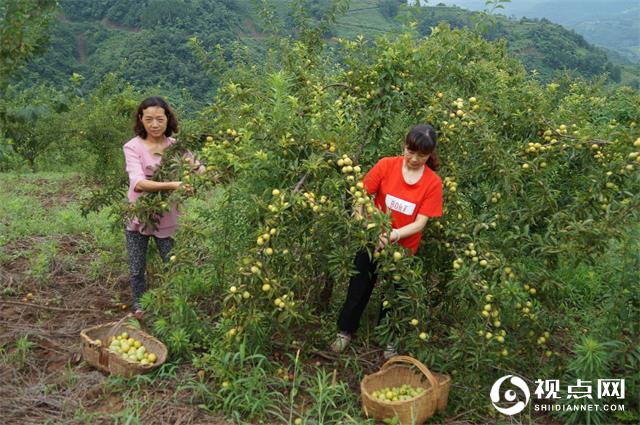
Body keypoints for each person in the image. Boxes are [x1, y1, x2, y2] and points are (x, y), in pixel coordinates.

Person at [331, 124, 443, 358]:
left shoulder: (433, 183)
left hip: (402, 250)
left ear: (429, 155)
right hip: (372, 241)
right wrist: (364, 225)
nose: (413, 159)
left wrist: (391, 236)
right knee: (359, 286)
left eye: (421, 155)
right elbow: (360, 197)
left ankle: (389, 340)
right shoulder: (386, 165)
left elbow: (420, 223)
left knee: (394, 295)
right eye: (410, 152)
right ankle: (345, 332)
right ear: (404, 146)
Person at [123, 96, 200, 319]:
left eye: (159, 119)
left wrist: (219, 172)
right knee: (137, 267)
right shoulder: (132, 146)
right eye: (149, 119)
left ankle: (174, 305)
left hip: (168, 215)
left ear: (168, 118)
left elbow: (198, 170)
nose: (155, 125)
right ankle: (139, 305)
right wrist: (174, 184)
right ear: (141, 119)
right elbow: (138, 183)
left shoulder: (176, 148)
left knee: (172, 264)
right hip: (140, 214)